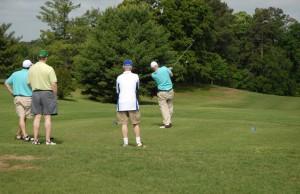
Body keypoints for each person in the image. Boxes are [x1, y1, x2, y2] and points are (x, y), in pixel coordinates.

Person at [27, 50, 58, 145]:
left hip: (35, 93)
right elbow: (54, 84)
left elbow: (28, 83)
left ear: (37, 58)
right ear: (46, 58)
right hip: (47, 93)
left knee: (37, 117)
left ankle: (35, 140)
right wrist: (55, 96)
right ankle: (48, 141)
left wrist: (34, 90)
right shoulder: (49, 68)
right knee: (47, 117)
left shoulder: (31, 69)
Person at [4, 60, 33, 141]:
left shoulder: (15, 73)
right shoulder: (30, 74)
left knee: (21, 117)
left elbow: (6, 83)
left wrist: (12, 93)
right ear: (30, 66)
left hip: (17, 98)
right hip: (28, 98)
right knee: (24, 118)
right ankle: (25, 135)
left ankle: (19, 134)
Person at [116, 59, 143, 147]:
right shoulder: (136, 76)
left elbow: (118, 90)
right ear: (131, 67)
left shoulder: (119, 77)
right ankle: (138, 142)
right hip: (132, 103)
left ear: (123, 67)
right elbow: (137, 88)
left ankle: (125, 143)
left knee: (124, 123)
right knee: (135, 123)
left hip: (122, 103)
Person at [150, 61, 174, 128]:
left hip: (162, 93)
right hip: (170, 91)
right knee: (170, 106)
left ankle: (167, 123)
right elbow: (171, 75)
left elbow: (160, 72)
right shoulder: (164, 68)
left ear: (152, 67)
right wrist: (168, 69)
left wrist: (167, 69)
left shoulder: (153, 75)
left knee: (164, 108)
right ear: (157, 65)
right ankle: (168, 121)